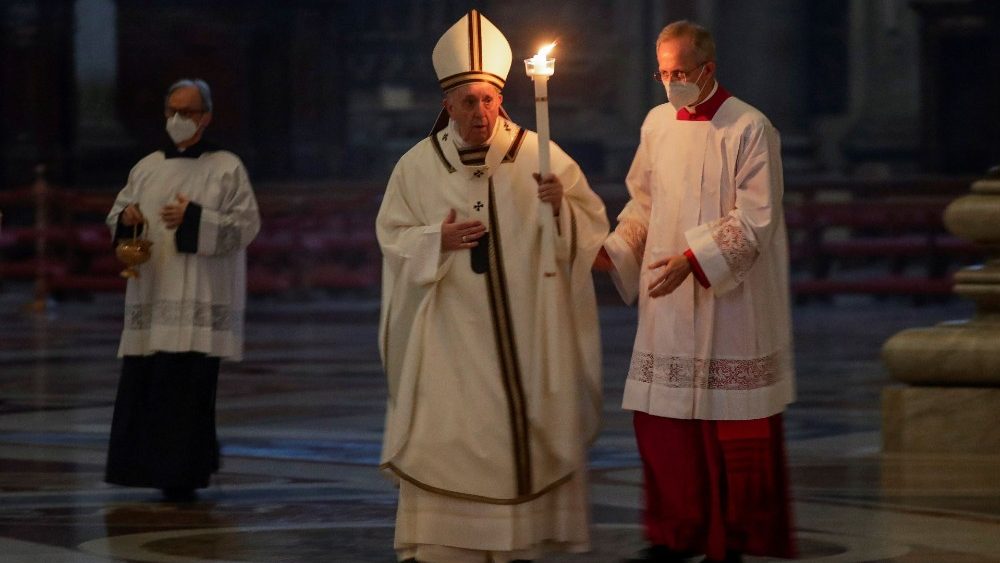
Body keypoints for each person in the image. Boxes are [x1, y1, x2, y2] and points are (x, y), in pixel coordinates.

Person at [376, 10, 609, 563]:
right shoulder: (416, 167)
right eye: (466, 102)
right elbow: (393, 236)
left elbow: (588, 232)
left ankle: (522, 538)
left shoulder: (540, 158)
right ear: (447, 105)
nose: (479, 111)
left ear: (502, 99)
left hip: (528, 335)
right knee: (448, 439)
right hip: (450, 339)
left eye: (487, 99)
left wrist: (561, 213)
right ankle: (446, 542)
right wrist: (438, 239)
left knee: (521, 436)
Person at [595, 20, 796, 563]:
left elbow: (757, 219)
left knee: (732, 430)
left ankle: (732, 535)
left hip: (730, 302)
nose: (671, 83)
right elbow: (644, 202)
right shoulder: (657, 124)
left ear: (708, 69)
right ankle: (674, 533)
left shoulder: (750, 127)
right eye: (663, 73)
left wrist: (693, 259)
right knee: (664, 425)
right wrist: (615, 250)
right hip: (668, 301)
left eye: (680, 72)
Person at [104, 78, 260, 502]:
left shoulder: (226, 166)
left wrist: (194, 218)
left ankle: (184, 473)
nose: (178, 118)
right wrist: (128, 220)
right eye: (172, 110)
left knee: (187, 390)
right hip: (152, 296)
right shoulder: (146, 166)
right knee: (147, 385)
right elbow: (117, 216)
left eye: (188, 111)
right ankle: (140, 468)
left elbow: (245, 227)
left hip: (198, 301)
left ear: (206, 117)